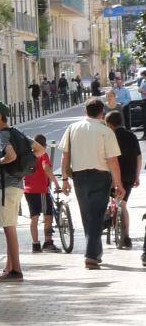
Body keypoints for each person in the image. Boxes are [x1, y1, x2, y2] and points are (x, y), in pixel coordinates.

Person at [59, 99, 124, 269]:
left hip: (79, 177)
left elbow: (65, 157)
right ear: (102, 113)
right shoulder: (106, 131)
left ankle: (95, 253)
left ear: (85, 111)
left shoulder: (72, 128)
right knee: (95, 216)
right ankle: (91, 255)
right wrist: (118, 184)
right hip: (101, 177)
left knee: (88, 216)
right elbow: (113, 161)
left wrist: (64, 179)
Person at [0, 101, 25, 282]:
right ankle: (9, 267)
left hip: (5, 187)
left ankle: (15, 270)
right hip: (16, 185)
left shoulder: (2, 134)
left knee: (9, 230)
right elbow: (39, 149)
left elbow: (11, 156)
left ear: (0, 116)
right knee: (11, 227)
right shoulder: (15, 131)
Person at [105, 110, 140, 248]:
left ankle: (109, 219)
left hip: (113, 176)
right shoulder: (131, 135)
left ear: (109, 124)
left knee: (111, 199)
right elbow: (138, 157)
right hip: (129, 176)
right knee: (123, 205)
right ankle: (126, 236)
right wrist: (137, 176)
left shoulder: (109, 136)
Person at [23, 135, 61, 253]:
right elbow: (46, 168)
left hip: (28, 190)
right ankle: (48, 242)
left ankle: (35, 244)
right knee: (48, 216)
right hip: (40, 190)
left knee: (34, 218)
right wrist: (56, 182)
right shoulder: (43, 154)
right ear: (44, 146)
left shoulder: (28, 156)